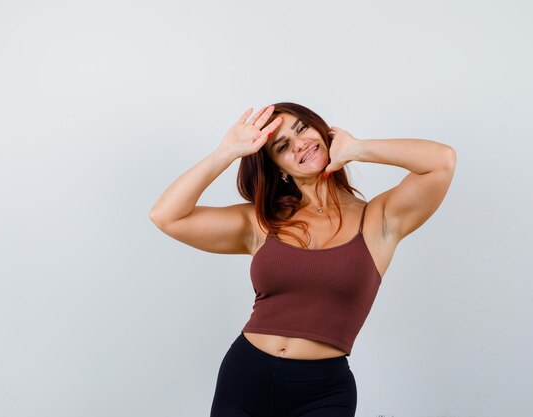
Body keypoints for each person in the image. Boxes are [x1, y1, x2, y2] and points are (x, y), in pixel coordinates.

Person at [149, 102, 457, 417]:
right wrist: (225, 153)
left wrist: (356, 148)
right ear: (280, 169)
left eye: (302, 129)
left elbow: (442, 161)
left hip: (322, 392)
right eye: (282, 147)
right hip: (245, 377)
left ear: (320, 129)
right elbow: (167, 216)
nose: (300, 145)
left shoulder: (380, 219)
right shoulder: (262, 223)